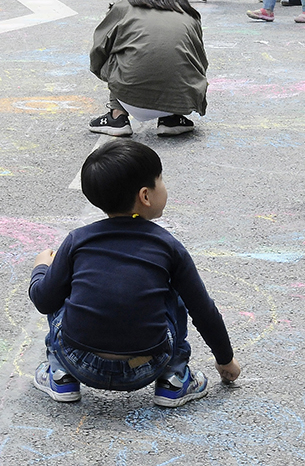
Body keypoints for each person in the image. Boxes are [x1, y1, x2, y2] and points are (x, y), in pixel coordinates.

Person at [29, 140, 240, 407]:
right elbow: (203, 310)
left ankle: (60, 374)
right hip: (148, 364)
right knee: (175, 294)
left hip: (79, 360)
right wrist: (225, 359)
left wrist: (41, 269)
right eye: (160, 180)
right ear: (146, 196)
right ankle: (174, 378)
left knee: (60, 284)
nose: (164, 186)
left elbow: (43, 300)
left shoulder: (77, 241)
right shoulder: (167, 246)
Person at [87, 0, 207, 137]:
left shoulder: (122, 7)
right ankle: (172, 118)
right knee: (177, 55)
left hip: (129, 95)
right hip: (180, 99)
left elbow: (98, 51)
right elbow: (201, 62)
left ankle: (117, 116)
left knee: (119, 52)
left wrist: (103, 73)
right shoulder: (190, 15)